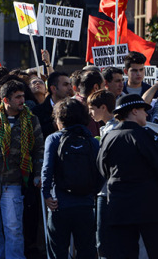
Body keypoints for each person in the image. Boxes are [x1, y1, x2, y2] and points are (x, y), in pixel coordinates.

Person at [98, 94, 158, 259]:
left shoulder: (108, 138)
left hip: (119, 208)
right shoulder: (148, 136)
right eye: (144, 110)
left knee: (125, 254)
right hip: (150, 208)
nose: (147, 115)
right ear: (134, 111)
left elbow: (101, 168)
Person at [0, 80, 44, 259]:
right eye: (18, 97)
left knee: (13, 229)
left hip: (14, 183)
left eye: (23, 96)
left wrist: (38, 173)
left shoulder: (31, 120)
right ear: (6, 100)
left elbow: (39, 148)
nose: (23, 100)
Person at [42, 98, 101, 259]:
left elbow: (47, 169)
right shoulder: (92, 141)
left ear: (60, 118)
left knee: (58, 251)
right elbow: (100, 172)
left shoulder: (53, 139)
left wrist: (46, 195)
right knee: (87, 250)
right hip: (86, 204)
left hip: (58, 204)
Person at [87, 89, 118, 258]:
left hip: (108, 190)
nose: (90, 113)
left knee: (104, 239)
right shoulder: (106, 128)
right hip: (105, 190)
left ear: (103, 107)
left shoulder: (113, 130)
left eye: (92, 108)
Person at [32, 71, 72, 138]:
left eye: (70, 84)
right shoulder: (37, 112)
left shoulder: (75, 109)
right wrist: (53, 126)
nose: (70, 88)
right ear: (53, 89)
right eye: (65, 85)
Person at [75, 70, 104, 136]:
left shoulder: (71, 104)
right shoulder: (90, 109)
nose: (105, 90)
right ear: (96, 87)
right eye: (103, 86)